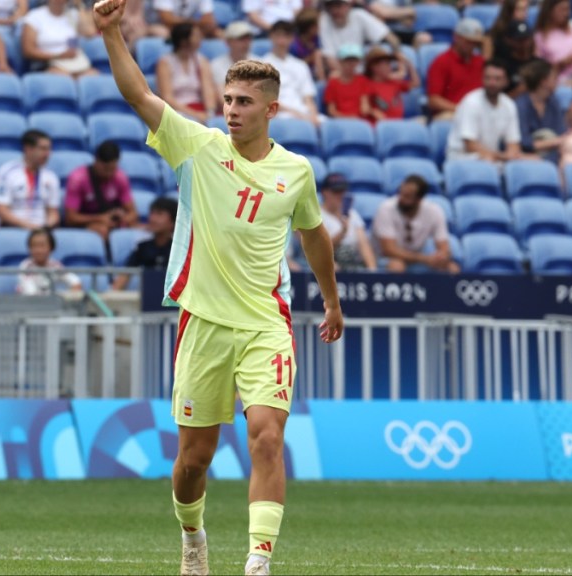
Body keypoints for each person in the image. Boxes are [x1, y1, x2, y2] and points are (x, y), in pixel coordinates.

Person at [93, 2, 343, 576]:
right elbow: (139, 96)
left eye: (243, 102)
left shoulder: (295, 172)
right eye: (227, 100)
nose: (231, 111)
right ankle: (192, 536)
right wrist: (112, 34)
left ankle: (258, 561)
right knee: (192, 461)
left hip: (266, 323)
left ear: (271, 109)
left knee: (266, 436)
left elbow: (314, 236)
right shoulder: (198, 148)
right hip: (202, 323)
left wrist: (331, 300)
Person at [372, 175, 458, 274]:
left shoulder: (434, 211)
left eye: (407, 196)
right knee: (397, 266)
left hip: (416, 259)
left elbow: (444, 247)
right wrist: (425, 259)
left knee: (452, 268)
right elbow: (389, 250)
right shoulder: (386, 208)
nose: (401, 199)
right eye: (400, 193)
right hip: (384, 258)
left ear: (419, 199)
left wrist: (442, 257)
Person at [446, 60, 524, 164]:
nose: (492, 83)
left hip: (491, 158)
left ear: (506, 81)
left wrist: (511, 155)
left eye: (497, 79)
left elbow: (513, 143)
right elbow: (470, 145)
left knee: (530, 162)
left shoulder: (509, 105)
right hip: (462, 158)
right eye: (488, 78)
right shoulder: (471, 102)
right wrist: (501, 156)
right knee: (488, 161)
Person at [64, 140, 138, 239]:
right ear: (96, 161)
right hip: (86, 224)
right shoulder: (78, 179)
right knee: (102, 230)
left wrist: (121, 219)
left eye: (112, 169)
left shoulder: (120, 177)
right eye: (105, 169)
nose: (109, 173)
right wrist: (100, 218)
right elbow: (71, 218)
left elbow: (133, 213)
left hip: (112, 223)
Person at [0, 130, 62, 229]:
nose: (48, 154)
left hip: (41, 231)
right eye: (43, 149)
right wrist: (29, 226)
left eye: (49, 149)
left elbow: (53, 212)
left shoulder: (51, 177)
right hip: (13, 228)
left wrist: (46, 227)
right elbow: (1, 210)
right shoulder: (6, 172)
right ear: (28, 149)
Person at [317, 0, 405, 73]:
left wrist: (400, 68)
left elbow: (392, 39)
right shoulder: (324, 20)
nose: (334, 10)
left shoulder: (359, 15)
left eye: (338, 5)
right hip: (343, 76)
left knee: (386, 49)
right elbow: (330, 59)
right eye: (330, 6)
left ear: (349, 5)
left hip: (364, 72)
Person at [156, 22, 219, 123]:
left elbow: (208, 91)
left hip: (198, 108)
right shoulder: (165, 63)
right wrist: (194, 114)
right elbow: (167, 97)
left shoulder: (201, 61)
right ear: (184, 40)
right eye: (196, 36)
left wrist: (210, 112)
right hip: (176, 111)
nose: (201, 38)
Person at [110, 197, 178, 290]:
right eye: (152, 213)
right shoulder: (142, 247)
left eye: (159, 214)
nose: (153, 219)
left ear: (173, 222)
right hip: (148, 298)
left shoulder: (179, 251)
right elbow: (125, 275)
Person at [261, 20, 320, 125]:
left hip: (303, 113)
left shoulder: (301, 65)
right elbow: (266, 100)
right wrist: (297, 114)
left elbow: (308, 98)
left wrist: (314, 116)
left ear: (292, 39)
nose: (282, 40)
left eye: (286, 36)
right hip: (277, 114)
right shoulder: (262, 65)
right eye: (278, 35)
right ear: (271, 36)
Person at [21, 0, 98, 77]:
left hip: (74, 61)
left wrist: (79, 5)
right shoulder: (34, 16)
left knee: (94, 75)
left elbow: (90, 32)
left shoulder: (73, 14)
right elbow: (28, 51)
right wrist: (58, 55)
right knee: (63, 78)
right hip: (47, 64)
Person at [427, 18, 485, 120]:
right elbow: (433, 100)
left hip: (478, 115)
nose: (472, 46)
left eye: (475, 43)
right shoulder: (442, 61)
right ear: (457, 37)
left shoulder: (480, 61)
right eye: (468, 41)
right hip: (452, 113)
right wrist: (462, 109)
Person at [320, 173, 377, 271]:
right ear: (325, 192)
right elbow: (321, 250)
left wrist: (372, 270)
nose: (340, 195)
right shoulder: (316, 216)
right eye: (336, 192)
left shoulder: (352, 214)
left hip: (353, 261)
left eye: (342, 191)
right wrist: (342, 232)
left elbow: (363, 244)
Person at [515, 59, 568, 162]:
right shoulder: (521, 105)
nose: (557, 81)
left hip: (553, 153)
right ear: (544, 82)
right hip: (527, 156)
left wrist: (558, 142)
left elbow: (561, 132)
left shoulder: (553, 102)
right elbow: (524, 142)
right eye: (554, 78)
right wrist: (554, 142)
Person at [533, 0, 572, 84]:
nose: (566, 13)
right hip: (556, 81)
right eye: (562, 9)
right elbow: (538, 68)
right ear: (550, 10)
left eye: (567, 9)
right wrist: (561, 64)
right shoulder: (539, 36)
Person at [16, 228, 82, 295]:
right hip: (29, 304)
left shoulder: (55, 265)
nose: (38, 250)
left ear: (51, 248)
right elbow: (30, 293)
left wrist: (71, 294)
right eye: (34, 246)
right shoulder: (25, 266)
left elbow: (75, 281)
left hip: (50, 302)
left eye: (42, 246)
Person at [364, 46, 417, 123]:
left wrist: (408, 63)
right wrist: (372, 111)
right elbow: (362, 107)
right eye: (386, 64)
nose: (390, 67)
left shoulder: (393, 82)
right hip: (379, 127)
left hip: (399, 124)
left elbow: (415, 83)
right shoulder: (366, 84)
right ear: (374, 67)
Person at [493, 19, 544, 96]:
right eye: (519, 39)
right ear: (508, 40)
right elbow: (497, 99)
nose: (524, 43)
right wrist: (519, 90)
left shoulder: (539, 64)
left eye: (527, 38)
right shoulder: (502, 65)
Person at [323, 44, 371, 119]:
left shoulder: (362, 80)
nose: (351, 64)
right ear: (340, 61)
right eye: (347, 60)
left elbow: (365, 107)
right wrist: (348, 118)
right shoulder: (332, 83)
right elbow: (331, 111)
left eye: (354, 60)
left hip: (359, 121)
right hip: (340, 122)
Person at [212, 22, 256, 95]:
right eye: (241, 39)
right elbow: (222, 97)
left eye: (248, 39)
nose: (246, 43)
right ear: (228, 42)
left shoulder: (261, 63)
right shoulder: (216, 65)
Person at [290, 8, 326, 81]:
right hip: (298, 77)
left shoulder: (317, 38)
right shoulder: (293, 44)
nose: (320, 27)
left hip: (314, 74)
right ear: (310, 27)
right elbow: (292, 65)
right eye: (317, 24)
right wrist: (310, 58)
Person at [153, 0, 218, 38]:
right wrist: (194, 22)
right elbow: (167, 20)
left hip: (189, 28)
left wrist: (190, 23)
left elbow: (209, 21)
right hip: (162, 27)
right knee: (163, 32)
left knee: (218, 33)